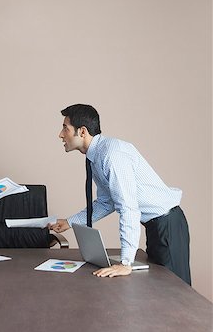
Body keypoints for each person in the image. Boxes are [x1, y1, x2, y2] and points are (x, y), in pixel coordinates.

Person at [49, 104, 191, 284]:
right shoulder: (97, 156)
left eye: (65, 128)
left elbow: (128, 208)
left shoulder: (111, 155)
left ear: (82, 132)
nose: (61, 135)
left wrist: (126, 262)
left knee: (175, 294)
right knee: (160, 291)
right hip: (156, 226)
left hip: (167, 225)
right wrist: (70, 222)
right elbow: (106, 203)